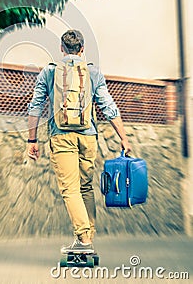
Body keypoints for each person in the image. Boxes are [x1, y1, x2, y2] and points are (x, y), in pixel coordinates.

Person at [27, 29, 131, 253]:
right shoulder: (93, 73)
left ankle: (84, 241)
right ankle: (88, 237)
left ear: (61, 49)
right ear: (82, 49)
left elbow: (35, 106)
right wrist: (124, 138)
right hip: (88, 137)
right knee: (84, 187)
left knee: (70, 189)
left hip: (61, 136)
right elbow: (108, 107)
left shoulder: (49, 72)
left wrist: (31, 139)